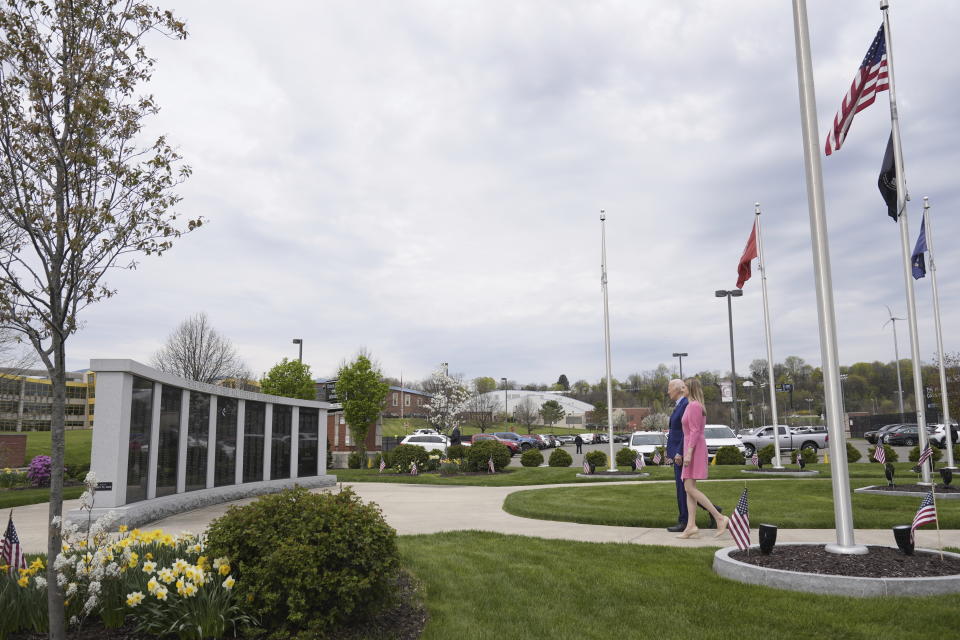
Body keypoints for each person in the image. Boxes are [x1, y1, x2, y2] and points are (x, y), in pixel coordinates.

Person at [677, 378, 729, 539]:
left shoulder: (694, 406)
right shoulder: (692, 405)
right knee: (688, 488)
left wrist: (689, 453)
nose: (682, 389)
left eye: (684, 387)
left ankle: (719, 518)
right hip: (691, 446)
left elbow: (694, 431)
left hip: (694, 448)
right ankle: (691, 526)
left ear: (691, 389)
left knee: (689, 488)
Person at [665, 379, 689, 532]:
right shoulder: (679, 405)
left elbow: (685, 433)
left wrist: (679, 451)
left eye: (669, 388)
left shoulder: (685, 404)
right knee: (686, 488)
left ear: (678, 389)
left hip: (681, 454)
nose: (668, 392)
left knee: (684, 489)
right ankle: (714, 510)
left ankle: (684, 521)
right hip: (676, 453)